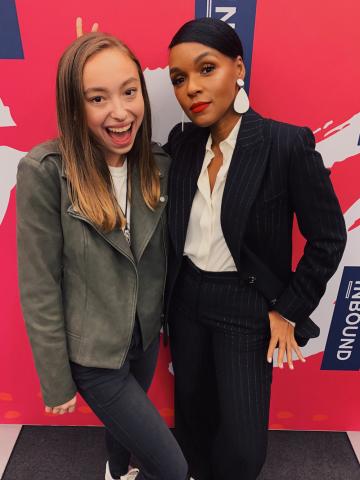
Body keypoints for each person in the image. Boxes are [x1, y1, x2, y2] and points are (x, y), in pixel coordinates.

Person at [163, 18, 347, 480]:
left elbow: (328, 237)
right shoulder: (182, 144)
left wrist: (287, 310)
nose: (192, 89)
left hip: (246, 306)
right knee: (192, 422)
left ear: (238, 67)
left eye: (207, 69)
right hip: (185, 300)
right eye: (179, 79)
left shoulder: (286, 143)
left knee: (244, 447)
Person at [16, 33, 188, 480]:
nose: (120, 111)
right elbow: (39, 284)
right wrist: (56, 380)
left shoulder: (158, 165)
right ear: (75, 107)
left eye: (129, 92)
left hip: (144, 340)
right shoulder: (45, 171)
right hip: (93, 355)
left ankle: (115, 472)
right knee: (171, 468)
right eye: (97, 98)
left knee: (123, 436)